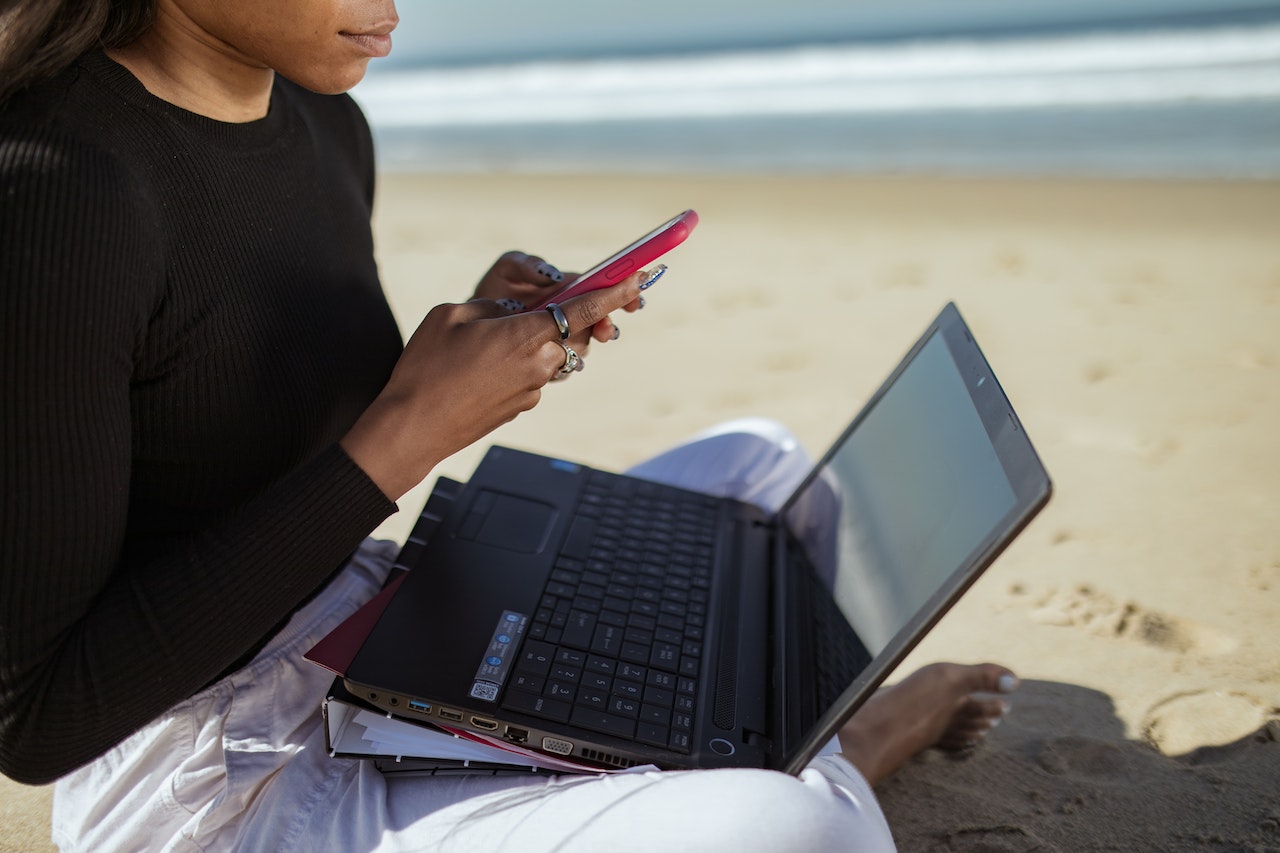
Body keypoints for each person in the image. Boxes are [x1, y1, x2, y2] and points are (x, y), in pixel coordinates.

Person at [0, 1, 1018, 849]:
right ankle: (853, 742)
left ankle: (747, 737)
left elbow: (230, 412)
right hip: (207, 771)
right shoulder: (55, 187)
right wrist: (410, 428)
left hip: (360, 623)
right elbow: (38, 718)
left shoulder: (322, 119)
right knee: (790, 829)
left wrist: (468, 349)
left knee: (769, 466)